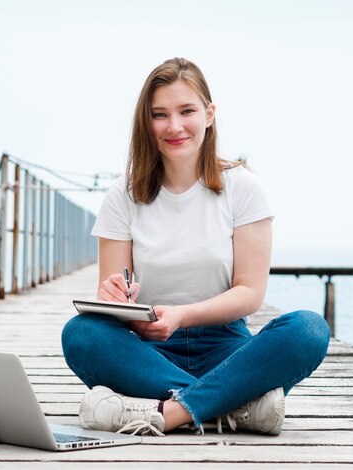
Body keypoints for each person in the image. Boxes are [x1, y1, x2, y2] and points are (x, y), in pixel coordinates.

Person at [61, 57, 330, 436]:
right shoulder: (122, 195)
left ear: (209, 114)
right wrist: (115, 300)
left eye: (186, 111)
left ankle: (170, 411)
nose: (174, 127)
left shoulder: (242, 187)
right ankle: (235, 406)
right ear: (146, 121)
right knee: (82, 333)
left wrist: (182, 316)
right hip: (153, 350)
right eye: (160, 115)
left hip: (229, 347)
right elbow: (114, 294)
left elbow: (250, 293)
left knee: (309, 328)